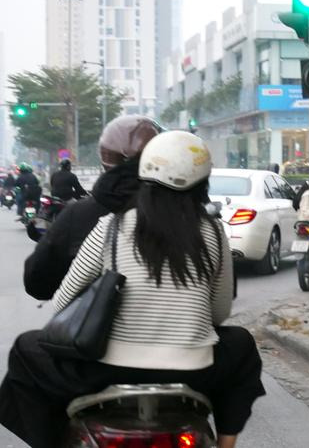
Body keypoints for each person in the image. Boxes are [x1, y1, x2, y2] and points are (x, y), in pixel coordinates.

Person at [0, 131, 265, 448]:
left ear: (144, 174)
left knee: (25, 349)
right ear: (203, 180)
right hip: (196, 370)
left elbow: (60, 305)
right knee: (242, 343)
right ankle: (226, 443)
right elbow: (220, 313)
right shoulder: (213, 230)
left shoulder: (111, 225)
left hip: (108, 371)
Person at [23, 115, 162, 300]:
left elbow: (40, 284)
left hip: (103, 325)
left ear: (105, 159)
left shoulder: (97, 224)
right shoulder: (202, 222)